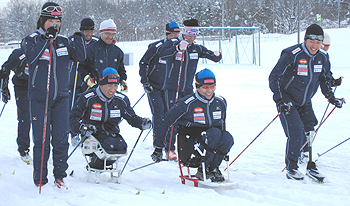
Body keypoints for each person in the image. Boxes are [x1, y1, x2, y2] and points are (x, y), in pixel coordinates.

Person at [269, 24, 344, 181]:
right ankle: (292, 168)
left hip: (305, 101)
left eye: (318, 42)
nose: (315, 46)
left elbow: (324, 79)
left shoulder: (322, 57)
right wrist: (279, 99)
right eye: (312, 42)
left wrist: (331, 97)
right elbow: (274, 76)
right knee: (296, 131)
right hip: (287, 99)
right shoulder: (292, 54)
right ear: (305, 40)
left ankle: (309, 162)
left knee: (310, 129)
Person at [23, 1, 86, 188]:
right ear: (42, 20)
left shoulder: (63, 41)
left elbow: (80, 57)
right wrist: (45, 40)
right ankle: (40, 179)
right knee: (41, 141)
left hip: (61, 98)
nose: (54, 24)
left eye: (57, 20)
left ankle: (60, 175)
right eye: (50, 20)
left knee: (60, 139)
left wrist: (79, 39)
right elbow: (31, 58)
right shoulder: (31, 39)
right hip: (40, 98)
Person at [151, 18, 222, 162]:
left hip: (188, 89)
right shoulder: (173, 43)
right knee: (172, 118)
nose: (194, 37)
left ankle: (191, 147)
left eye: (196, 35)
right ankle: (168, 148)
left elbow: (211, 56)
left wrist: (216, 55)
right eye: (191, 34)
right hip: (172, 89)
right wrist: (177, 49)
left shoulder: (196, 48)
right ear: (185, 33)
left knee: (190, 119)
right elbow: (162, 55)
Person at [156, 68, 233, 182]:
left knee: (227, 137)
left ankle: (213, 168)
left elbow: (222, 127)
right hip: (191, 147)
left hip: (211, 141)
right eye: (205, 87)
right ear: (197, 86)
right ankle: (203, 170)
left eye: (212, 86)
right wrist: (158, 148)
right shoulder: (186, 103)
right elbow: (165, 122)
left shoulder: (220, 102)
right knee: (214, 134)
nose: (209, 91)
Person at [69, 67, 152, 169]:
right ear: (101, 84)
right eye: (109, 86)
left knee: (120, 146)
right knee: (109, 146)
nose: (112, 90)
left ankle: (99, 165)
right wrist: (82, 127)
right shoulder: (87, 98)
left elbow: (132, 118)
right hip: (91, 136)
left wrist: (142, 123)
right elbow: (72, 118)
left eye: (115, 86)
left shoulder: (121, 100)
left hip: (111, 135)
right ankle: (96, 164)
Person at [139, 21, 180, 161]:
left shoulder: (180, 48)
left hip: (170, 88)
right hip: (154, 87)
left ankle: (170, 147)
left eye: (177, 34)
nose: (176, 37)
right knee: (159, 113)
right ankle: (158, 145)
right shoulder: (156, 47)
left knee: (171, 114)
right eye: (173, 34)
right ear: (167, 34)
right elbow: (143, 63)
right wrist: (145, 81)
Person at [68, 17, 99, 147]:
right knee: (74, 108)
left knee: (89, 108)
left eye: (91, 31)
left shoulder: (97, 42)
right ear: (81, 30)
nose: (89, 34)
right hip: (74, 80)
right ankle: (74, 132)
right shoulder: (73, 40)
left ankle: (87, 133)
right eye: (86, 31)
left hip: (90, 80)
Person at [0, 48, 32, 164]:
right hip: (22, 87)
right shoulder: (18, 54)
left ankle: (45, 148)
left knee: (42, 117)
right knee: (25, 117)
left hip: (38, 86)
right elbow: (4, 69)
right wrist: (4, 88)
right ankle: (24, 149)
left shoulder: (42, 49)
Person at [78, 19, 128, 93]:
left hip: (111, 91)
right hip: (94, 91)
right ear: (101, 33)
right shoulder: (90, 50)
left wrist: (123, 81)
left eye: (113, 34)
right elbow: (81, 68)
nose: (110, 37)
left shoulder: (118, 52)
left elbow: (121, 71)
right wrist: (87, 78)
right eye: (107, 34)